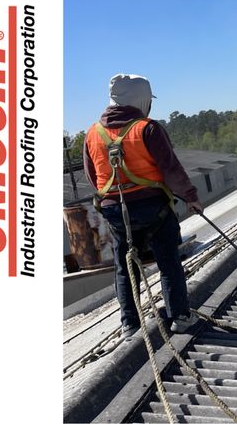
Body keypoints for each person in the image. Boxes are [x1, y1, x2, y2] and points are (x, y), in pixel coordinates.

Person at [84, 74, 203, 335]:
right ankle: (180, 316)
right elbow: (171, 169)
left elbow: (93, 177)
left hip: (116, 211)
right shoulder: (147, 128)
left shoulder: (93, 133)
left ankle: (130, 324)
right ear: (142, 99)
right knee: (168, 262)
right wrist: (191, 197)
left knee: (125, 268)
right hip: (153, 207)